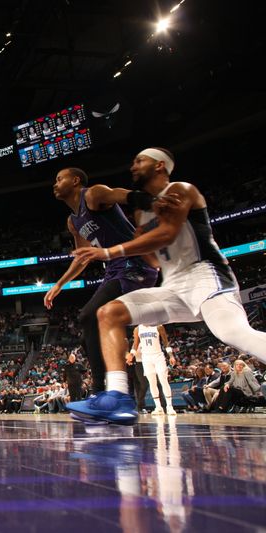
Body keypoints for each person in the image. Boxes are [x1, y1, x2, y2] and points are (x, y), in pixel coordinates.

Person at [68, 147, 266, 424]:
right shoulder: (142, 211)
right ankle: (117, 398)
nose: (133, 166)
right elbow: (153, 260)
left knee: (232, 333)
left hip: (205, 276)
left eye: (140, 161)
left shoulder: (181, 189)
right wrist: (142, 232)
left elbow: (168, 233)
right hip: (173, 286)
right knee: (108, 313)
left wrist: (109, 252)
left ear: (159, 165)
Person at [45, 167, 159, 397]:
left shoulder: (93, 195)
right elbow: (82, 257)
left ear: (75, 180)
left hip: (135, 263)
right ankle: (121, 392)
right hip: (114, 269)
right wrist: (59, 284)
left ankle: (99, 393)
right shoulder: (73, 221)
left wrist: (150, 200)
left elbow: (122, 194)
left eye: (60, 179)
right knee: (88, 339)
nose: (55, 184)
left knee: (88, 315)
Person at [130, 324, 177, 415]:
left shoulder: (159, 326)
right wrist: (131, 355)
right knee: (152, 382)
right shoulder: (137, 329)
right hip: (146, 358)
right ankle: (158, 407)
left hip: (158, 356)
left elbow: (166, 342)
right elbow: (135, 345)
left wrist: (171, 355)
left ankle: (169, 406)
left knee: (163, 380)